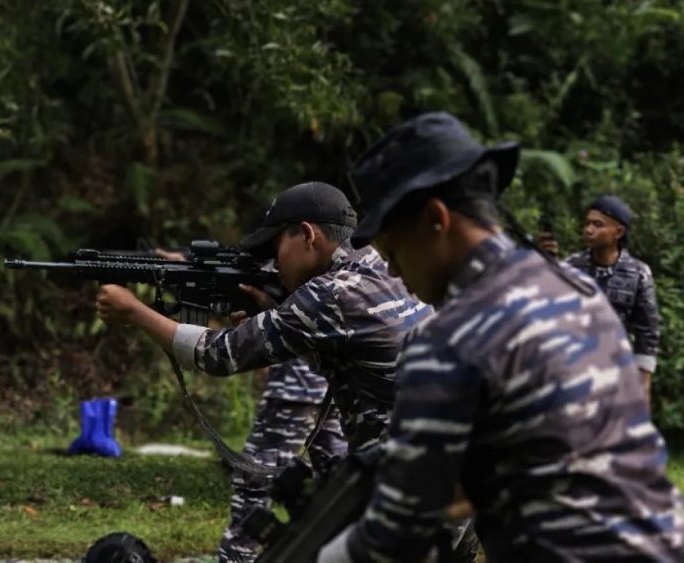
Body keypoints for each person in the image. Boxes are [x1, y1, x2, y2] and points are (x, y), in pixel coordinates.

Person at [318, 112, 684, 562]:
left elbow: (396, 533)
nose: (392, 270)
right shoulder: (577, 290)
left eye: (392, 250)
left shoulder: (448, 341)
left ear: (436, 219)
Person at [95, 182, 480, 558]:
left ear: (308, 235)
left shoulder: (330, 294)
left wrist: (134, 311)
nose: (273, 263)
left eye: (276, 247)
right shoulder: (382, 265)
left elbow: (218, 354)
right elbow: (354, 345)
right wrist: (273, 315)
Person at [151, 248, 348, 563]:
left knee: (255, 480)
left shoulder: (306, 271)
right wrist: (193, 270)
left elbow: (218, 353)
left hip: (298, 384)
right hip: (322, 381)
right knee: (337, 478)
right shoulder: (338, 263)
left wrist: (135, 310)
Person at [538, 196, 660, 406]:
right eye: (587, 224)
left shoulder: (638, 273)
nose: (588, 229)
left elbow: (647, 332)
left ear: (618, 232)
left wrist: (644, 385)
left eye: (597, 224)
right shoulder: (572, 267)